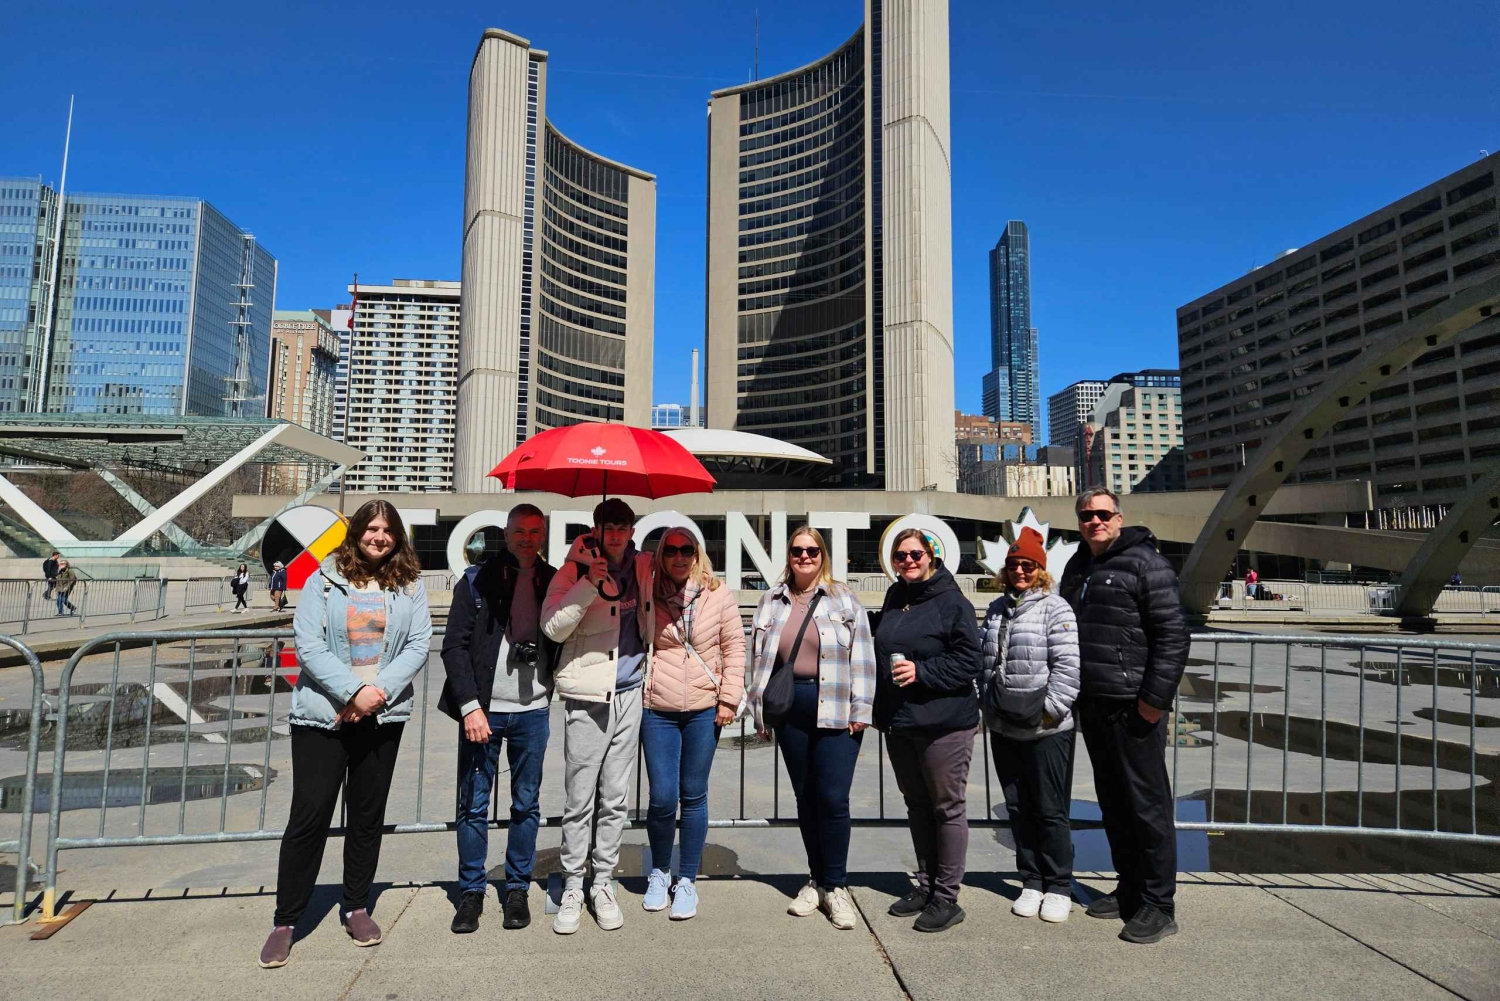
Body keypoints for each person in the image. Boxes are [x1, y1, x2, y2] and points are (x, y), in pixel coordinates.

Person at [259, 500, 431, 969]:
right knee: (309, 817)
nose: (379, 536)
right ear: (356, 532)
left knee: (366, 816)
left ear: (397, 536)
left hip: (383, 714)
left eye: (387, 529)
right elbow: (308, 642)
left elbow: (418, 643)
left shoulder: (410, 585)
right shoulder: (324, 578)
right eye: (371, 528)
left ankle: (356, 905)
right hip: (323, 717)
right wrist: (353, 692)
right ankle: (286, 920)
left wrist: (378, 693)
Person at [1058, 486, 1189, 945]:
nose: (1094, 521)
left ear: (1118, 518)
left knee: (1148, 805)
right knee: (1113, 803)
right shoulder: (1078, 566)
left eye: (1102, 514)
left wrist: (1153, 702)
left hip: (1134, 706)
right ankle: (1130, 888)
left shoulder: (1146, 563)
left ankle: (1159, 903)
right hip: (1093, 703)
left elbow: (1172, 636)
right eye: (1086, 515)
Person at [747, 526, 875, 931]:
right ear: (788, 556)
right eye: (798, 550)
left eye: (812, 550)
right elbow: (759, 660)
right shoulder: (771, 601)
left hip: (837, 706)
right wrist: (760, 712)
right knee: (805, 797)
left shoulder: (844, 599)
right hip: (791, 709)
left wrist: (862, 708)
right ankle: (816, 880)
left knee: (833, 798)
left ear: (823, 556)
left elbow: (864, 657)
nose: (805, 557)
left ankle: (836, 886)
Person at [440, 504, 556, 935]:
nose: (527, 538)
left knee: (526, 804)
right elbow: (454, 646)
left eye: (535, 531)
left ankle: (517, 889)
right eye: (519, 531)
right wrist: (470, 706)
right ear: (505, 534)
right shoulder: (476, 580)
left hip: (534, 709)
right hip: (483, 712)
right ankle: (470, 891)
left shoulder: (554, 579)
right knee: (472, 804)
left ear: (543, 535)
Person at [542, 498, 654, 935]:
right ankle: (573, 883)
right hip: (588, 695)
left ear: (632, 530)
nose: (616, 534)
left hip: (630, 694)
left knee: (615, 797)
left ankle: (602, 881)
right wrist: (589, 582)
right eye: (608, 526)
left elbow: (685, 570)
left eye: (623, 526)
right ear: (596, 528)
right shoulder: (571, 570)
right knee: (579, 796)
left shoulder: (643, 567)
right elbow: (554, 627)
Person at [871, 529, 983, 933]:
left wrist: (922, 672)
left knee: (946, 806)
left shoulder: (953, 602)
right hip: (901, 722)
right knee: (917, 805)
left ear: (931, 555)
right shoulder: (894, 597)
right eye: (901, 556)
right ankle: (926, 884)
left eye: (915, 554)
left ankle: (947, 897)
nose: (908, 562)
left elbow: (970, 661)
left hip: (944, 723)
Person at [640, 528, 745, 921]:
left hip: (704, 707)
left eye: (687, 550)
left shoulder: (718, 593)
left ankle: (686, 880)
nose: (679, 557)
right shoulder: (647, 591)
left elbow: (734, 646)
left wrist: (729, 698)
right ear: (660, 555)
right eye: (672, 550)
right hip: (658, 708)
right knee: (663, 796)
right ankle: (659, 871)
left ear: (697, 554)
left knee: (694, 794)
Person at [980, 527, 1080, 925]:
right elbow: (984, 664)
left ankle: (1059, 886)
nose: (1019, 570)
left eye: (1028, 565)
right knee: (1019, 807)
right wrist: (984, 704)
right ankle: (1031, 880)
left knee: (1050, 809)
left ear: (1040, 570)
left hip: (1046, 730)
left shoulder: (1056, 609)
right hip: (1005, 727)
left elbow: (1068, 668)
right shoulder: (995, 609)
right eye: (1013, 565)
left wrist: (1048, 712)